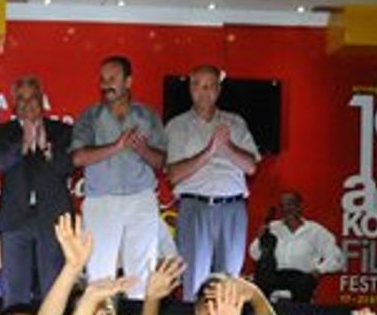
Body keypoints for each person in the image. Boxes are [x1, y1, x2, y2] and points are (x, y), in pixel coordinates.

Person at [70, 55, 167, 299]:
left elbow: (162, 162)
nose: (106, 84)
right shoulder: (90, 116)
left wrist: (142, 149)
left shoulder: (147, 116)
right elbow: (78, 158)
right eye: (103, 79)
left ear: (129, 81)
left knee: (142, 272)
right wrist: (117, 146)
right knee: (99, 273)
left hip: (141, 199)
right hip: (101, 200)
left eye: (112, 78)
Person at [165, 65, 260, 300]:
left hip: (232, 207)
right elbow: (174, 174)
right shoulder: (177, 125)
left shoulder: (235, 123)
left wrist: (226, 146)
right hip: (194, 207)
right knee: (194, 280)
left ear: (218, 90)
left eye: (209, 86)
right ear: (190, 88)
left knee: (228, 281)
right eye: (197, 86)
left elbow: (251, 166)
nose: (203, 92)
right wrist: (209, 151)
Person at [0, 76, 74, 309]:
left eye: (33, 98)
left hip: (53, 219)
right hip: (14, 219)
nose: (27, 104)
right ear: (13, 104)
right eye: (21, 99)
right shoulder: (3, 131)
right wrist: (23, 144)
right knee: (14, 291)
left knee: (54, 288)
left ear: (42, 100)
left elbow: (69, 166)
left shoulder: (62, 131)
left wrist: (48, 151)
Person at [248, 191, 344, 302]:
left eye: (290, 204)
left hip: (301, 278)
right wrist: (260, 238)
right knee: (259, 281)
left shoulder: (315, 231)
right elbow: (254, 254)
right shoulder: (272, 227)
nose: (287, 208)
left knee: (304, 283)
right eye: (283, 206)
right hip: (275, 277)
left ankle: (299, 309)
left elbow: (337, 258)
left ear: (299, 206)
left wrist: (319, 270)